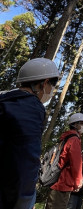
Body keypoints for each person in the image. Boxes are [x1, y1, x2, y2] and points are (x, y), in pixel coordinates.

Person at [0, 58, 60, 209]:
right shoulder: (31, 107)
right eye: (53, 85)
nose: (52, 90)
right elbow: (25, 160)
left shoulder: (6, 99)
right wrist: (25, 201)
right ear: (44, 83)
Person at [45, 113, 83, 209]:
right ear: (75, 125)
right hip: (63, 184)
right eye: (82, 123)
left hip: (56, 181)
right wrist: (78, 182)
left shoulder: (65, 138)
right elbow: (76, 164)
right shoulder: (74, 140)